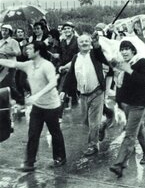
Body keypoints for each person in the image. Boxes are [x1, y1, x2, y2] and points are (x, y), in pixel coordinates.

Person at [0, 41, 66, 172]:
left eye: (30, 49)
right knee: (33, 133)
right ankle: (29, 163)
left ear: (38, 51)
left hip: (51, 106)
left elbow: (53, 83)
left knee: (55, 132)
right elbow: (13, 63)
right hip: (37, 106)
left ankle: (60, 157)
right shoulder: (29, 65)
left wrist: (37, 95)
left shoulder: (47, 66)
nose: (26, 51)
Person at [109, 40, 145, 178]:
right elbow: (120, 85)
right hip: (127, 104)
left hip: (138, 104)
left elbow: (143, 82)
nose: (124, 51)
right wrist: (119, 101)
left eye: (127, 48)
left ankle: (119, 164)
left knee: (129, 134)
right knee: (138, 127)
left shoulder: (141, 62)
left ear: (133, 50)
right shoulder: (122, 64)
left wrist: (129, 70)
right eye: (122, 49)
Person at [62, 33, 109, 156]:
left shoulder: (95, 54)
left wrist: (96, 43)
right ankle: (101, 125)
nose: (84, 43)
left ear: (90, 43)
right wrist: (63, 90)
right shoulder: (75, 58)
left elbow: (100, 53)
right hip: (82, 94)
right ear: (78, 45)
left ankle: (93, 146)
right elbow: (70, 75)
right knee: (85, 121)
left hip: (97, 92)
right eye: (81, 42)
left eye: (86, 41)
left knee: (93, 122)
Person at [0, 24, 22, 105]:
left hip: (10, 66)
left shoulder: (13, 42)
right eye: (2, 30)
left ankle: (20, 99)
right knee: (2, 85)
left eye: (6, 30)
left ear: (9, 32)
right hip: (1, 67)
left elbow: (18, 53)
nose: (4, 32)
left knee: (10, 84)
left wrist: (8, 52)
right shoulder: (0, 42)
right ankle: (6, 101)